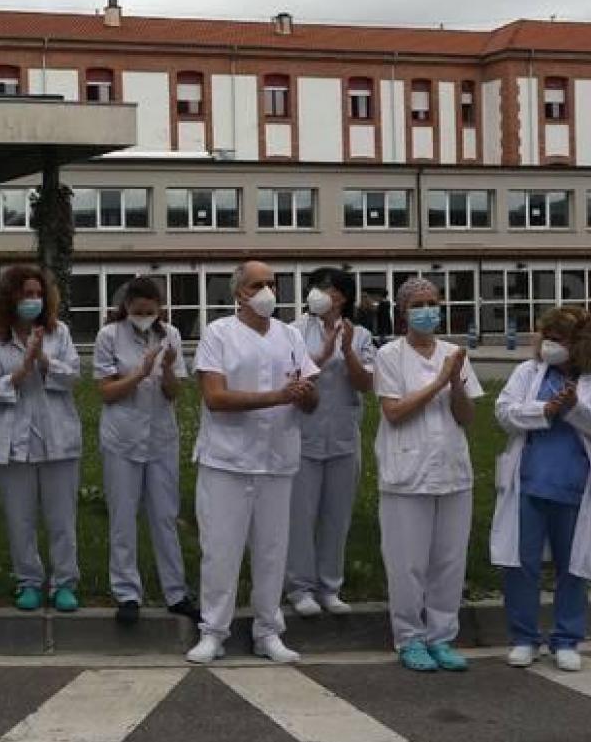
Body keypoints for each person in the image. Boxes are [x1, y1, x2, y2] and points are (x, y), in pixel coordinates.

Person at [187, 261, 319, 666]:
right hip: (227, 460)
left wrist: (303, 394)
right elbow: (215, 397)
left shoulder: (291, 335)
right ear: (239, 292)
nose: (267, 291)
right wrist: (279, 397)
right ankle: (213, 632)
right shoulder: (218, 333)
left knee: (272, 551)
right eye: (258, 284)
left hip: (278, 460)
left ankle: (268, 631)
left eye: (272, 284)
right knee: (221, 550)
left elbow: (311, 399)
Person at [490, 306, 591, 672]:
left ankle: (567, 638)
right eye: (547, 338)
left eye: (560, 339)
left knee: (575, 565)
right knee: (521, 564)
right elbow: (504, 413)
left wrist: (576, 411)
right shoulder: (529, 373)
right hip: (529, 483)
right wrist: (546, 411)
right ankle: (524, 637)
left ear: (580, 344)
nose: (551, 346)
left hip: (577, 487)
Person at [373, 277, 483, 673]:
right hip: (407, 472)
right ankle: (409, 638)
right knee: (407, 562)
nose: (428, 309)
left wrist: (454, 382)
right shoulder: (389, 355)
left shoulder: (455, 354)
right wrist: (439, 380)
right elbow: (394, 412)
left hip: (452, 470)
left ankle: (441, 637)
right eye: (419, 303)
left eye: (433, 301)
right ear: (403, 312)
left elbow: (466, 415)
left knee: (449, 561)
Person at [0, 264, 84, 613]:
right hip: (13, 441)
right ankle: (28, 582)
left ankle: (64, 583)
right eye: (26, 294)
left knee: (61, 518)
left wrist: (43, 359)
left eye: (38, 294)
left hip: (58, 437)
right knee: (20, 518)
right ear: (11, 297)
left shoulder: (59, 333)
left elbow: (73, 376)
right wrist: (22, 369)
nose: (33, 300)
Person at [93, 279, 197, 625]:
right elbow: (106, 392)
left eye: (151, 311)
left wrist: (166, 367)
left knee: (165, 516)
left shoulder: (172, 335)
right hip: (122, 438)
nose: (145, 317)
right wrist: (139, 372)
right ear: (126, 308)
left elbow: (173, 392)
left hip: (160, 438)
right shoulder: (109, 336)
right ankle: (126, 593)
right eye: (138, 311)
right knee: (123, 517)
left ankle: (176, 592)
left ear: (160, 308)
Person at [286, 267, 376, 618]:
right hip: (303, 434)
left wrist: (348, 349)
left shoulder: (362, 334)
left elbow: (365, 383)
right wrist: (323, 353)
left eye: (329, 288)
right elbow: (293, 376)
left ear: (344, 296)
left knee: (337, 516)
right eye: (316, 287)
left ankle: (330, 586)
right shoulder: (293, 331)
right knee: (301, 514)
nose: (321, 293)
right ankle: (300, 587)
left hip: (342, 435)